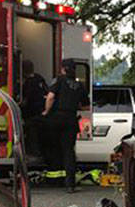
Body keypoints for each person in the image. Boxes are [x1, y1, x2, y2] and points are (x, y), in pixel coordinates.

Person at [43, 60, 85, 191]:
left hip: (56, 119)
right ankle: (70, 184)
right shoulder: (80, 85)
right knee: (69, 152)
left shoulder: (59, 80)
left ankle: (54, 180)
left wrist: (46, 111)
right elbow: (85, 105)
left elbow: (50, 97)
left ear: (63, 69)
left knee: (53, 148)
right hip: (71, 120)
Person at [18, 59, 48, 159]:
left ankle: (34, 153)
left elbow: (25, 100)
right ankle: (42, 153)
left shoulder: (28, 83)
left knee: (31, 133)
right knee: (40, 133)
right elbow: (47, 93)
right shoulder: (39, 78)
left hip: (31, 113)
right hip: (41, 111)